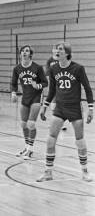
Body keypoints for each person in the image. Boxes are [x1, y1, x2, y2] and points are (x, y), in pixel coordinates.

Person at [37, 42, 93, 182]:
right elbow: (52, 91)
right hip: (60, 108)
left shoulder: (78, 68)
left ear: (67, 53)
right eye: (56, 49)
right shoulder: (54, 68)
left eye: (60, 49)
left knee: (80, 141)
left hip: (74, 108)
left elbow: (87, 89)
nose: (57, 51)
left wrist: (91, 109)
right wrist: (45, 106)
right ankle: (48, 172)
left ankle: (85, 171)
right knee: (50, 139)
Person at [11, 45, 48, 160]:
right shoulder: (17, 68)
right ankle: (26, 147)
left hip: (36, 97)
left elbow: (45, 83)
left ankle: (30, 149)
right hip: (25, 97)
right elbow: (13, 83)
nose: (24, 52)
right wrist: (13, 92)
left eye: (27, 51)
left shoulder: (37, 67)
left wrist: (38, 85)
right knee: (23, 124)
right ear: (20, 54)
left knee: (31, 124)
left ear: (30, 54)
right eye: (23, 51)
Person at [46, 45, 68, 131]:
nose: (56, 51)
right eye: (55, 50)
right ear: (52, 51)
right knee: (54, 104)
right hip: (53, 85)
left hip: (62, 85)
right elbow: (47, 73)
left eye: (58, 50)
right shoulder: (50, 61)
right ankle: (54, 122)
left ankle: (62, 123)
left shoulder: (62, 59)